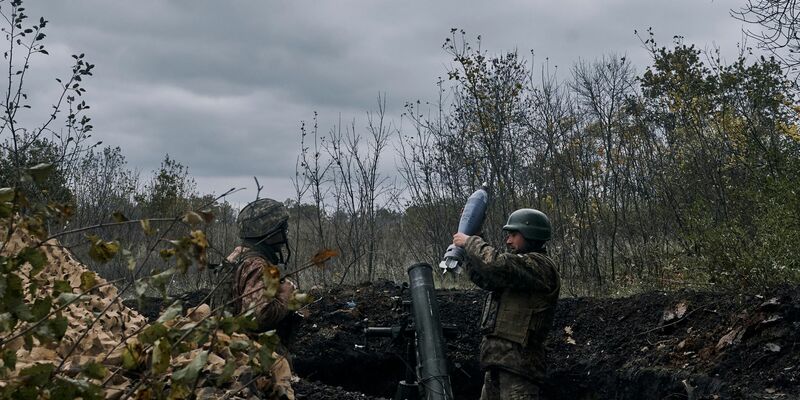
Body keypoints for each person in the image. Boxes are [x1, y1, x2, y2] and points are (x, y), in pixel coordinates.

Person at [451, 208, 560, 400]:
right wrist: (473, 243)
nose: (508, 241)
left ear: (530, 234)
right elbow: (486, 276)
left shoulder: (540, 266)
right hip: (496, 365)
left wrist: (470, 242)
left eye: (513, 235)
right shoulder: (516, 273)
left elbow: (499, 264)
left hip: (520, 370)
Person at [226, 197, 298, 399]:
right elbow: (259, 316)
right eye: (282, 228)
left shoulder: (237, 256)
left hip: (231, 347)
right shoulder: (257, 265)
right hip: (254, 356)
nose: (285, 234)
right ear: (270, 232)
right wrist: (285, 294)